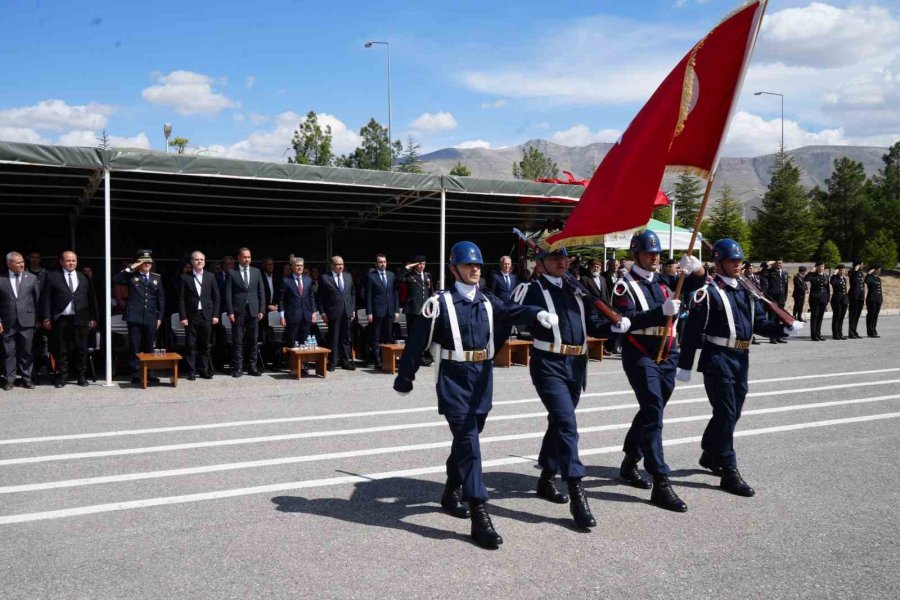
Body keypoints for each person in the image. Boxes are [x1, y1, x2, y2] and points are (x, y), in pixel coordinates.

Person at [393, 241, 552, 549]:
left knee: (468, 439)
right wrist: (405, 377)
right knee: (470, 442)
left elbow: (512, 310)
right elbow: (416, 341)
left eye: (477, 264)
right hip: (453, 379)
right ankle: (480, 515)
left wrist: (537, 313)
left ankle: (450, 491)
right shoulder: (440, 303)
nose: (475, 269)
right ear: (454, 269)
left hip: (482, 378)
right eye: (468, 265)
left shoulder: (488, 300)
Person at [678, 239, 803, 496]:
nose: (738, 265)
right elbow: (691, 332)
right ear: (719, 263)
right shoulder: (708, 293)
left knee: (732, 413)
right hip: (717, 358)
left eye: (739, 260)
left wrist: (783, 329)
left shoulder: (746, 291)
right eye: (732, 260)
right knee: (726, 413)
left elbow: (759, 324)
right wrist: (685, 365)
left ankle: (710, 452)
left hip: (741, 358)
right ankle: (729, 470)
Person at [518, 246, 630, 529]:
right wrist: (534, 314)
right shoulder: (532, 290)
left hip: (577, 365)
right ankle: (577, 491)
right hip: (549, 364)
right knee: (567, 423)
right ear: (540, 263)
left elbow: (591, 323)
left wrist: (613, 327)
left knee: (559, 422)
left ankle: (546, 477)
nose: (561, 261)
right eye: (554, 257)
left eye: (564, 257)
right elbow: (515, 314)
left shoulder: (576, 289)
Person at [613, 230, 706, 512]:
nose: (654, 258)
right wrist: (660, 313)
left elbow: (694, 283)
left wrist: (697, 269)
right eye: (648, 253)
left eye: (657, 253)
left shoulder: (665, 281)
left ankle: (631, 459)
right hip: (641, 353)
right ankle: (660, 480)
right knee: (653, 410)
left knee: (651, 409)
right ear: (635, 254)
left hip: (668, 353)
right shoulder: (624, 286)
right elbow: (624, 320)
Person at [40, 250, 98, 387]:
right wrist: (46, 317)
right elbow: (46, 299)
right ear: (61, 262)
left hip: (81, 318)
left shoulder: (84, 276)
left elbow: (92, 298)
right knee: (61, 349)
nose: (71, 263)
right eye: (68, 260)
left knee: (81, 349)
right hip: (61, 319)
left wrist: (93, 317)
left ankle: (81, 376)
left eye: (73, 260)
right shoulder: (52, 276)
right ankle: (62, 376)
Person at [113, 251, 165, 385]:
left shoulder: (156, 278)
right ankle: (136, 374)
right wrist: (132, 266)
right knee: (134, 346)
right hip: (134, 316)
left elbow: (160, 299)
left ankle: (150, 373)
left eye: (149, 261)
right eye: (144, 261)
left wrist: (159, 316)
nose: (147, 264)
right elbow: (116, 279)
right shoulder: (132, 275)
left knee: (150, 346)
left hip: (151, 316)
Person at [1, 252, 40, 389]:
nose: (21, 264)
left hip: (27, 321)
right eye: (17, 262)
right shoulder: (1, 279)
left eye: (22, 261)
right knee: (8, 352)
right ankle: (9, 379)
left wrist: (38, 319)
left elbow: (37, 300)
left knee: (27, 351)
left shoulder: (31, 278)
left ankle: (27, 378)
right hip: (8, 322)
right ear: (9, 264)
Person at [178, 251, 220, 380]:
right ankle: (191, 371)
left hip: (206, 315)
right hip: (192, 315)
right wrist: (183, 317)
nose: (199, 261)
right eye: (197, 259)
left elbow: (216, 297)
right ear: (192, 261)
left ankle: (204, 370)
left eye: (202, 259)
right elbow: (181, 299)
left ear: (205, 261)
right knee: (191, 344)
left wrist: (215, 315)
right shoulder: (185, 277)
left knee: (205, 344)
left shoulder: (210, 276)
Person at [224, 247, 265, 377]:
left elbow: (261, 291)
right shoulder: (231, 272)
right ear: (239, 258)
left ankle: (252, 366)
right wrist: (230, 311)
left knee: (253, 339)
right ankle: (238, 367)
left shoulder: (256, 272)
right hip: (238, 310)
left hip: (253, 310)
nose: (247, 259)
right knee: (237, 340)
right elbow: (228, 294)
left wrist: (262, 309)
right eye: (244, 257)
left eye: (249, 257)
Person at [317, 255, 356, 371]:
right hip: (333, 312)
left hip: (347, 312)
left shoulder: (348, 276)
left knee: (346, 337)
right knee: (334, 338)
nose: (340, 266)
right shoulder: (325, 278)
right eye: (338, 264)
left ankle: (345, 362)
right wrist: (323, 313)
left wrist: (352, 309)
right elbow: (320, 297)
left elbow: (352, 294)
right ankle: (332, 362)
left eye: (342, 264)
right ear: (332, 266)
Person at [365, 254, 399, 370]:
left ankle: (388, 360)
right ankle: (377, 361)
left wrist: (396, 310)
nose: (383, 264)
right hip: (377, 311)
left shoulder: (391, 275)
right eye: (380, 262)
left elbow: (395, 293)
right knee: (376, 337)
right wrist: (369, 312)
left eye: (384, 262)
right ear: (376, 264)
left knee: (389, 336)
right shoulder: (371, 277)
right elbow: (368, 295)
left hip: (390, 310)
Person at [279, 256, 317, 356]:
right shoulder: (286, 281)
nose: (299, 267)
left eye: (301, 265)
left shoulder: (308, 280)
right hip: (292, 316)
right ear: (292, 267)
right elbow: (281, 300)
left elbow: (311, 297)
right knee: (293, 341)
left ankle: (304, 363)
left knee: (305, 341)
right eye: (297, 265)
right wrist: (282, 316)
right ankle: (293, 363)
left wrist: (313, 312)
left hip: (306, 316)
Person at [402, 255, 433, 366]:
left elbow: (430, 293)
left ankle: (422, 357)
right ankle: (411, 357)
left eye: (423, 264)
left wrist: (430, 307)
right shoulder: (410, 275)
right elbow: (400, 278)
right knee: (412, 335)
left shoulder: (427, 276)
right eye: (419, 264)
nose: (422, 266)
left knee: (424, 335)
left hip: (425, 310)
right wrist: (409, 266)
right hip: (413, 309)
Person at [764, 259, 788, 344]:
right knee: (772, 318)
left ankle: (778, 336)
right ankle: (772, 337)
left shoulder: (784, 273)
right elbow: (763, 273)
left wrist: (785, 297)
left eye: (780, 263)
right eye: (777, 263)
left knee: (779, 318)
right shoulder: (770, 272)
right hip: (773, 298)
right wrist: (767, 264)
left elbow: (785, 287)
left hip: (781, 298)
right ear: (775, 264)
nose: (779, 265)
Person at [805, 261, 830, 342]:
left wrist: (827, 299)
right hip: (814, 299)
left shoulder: (826, 276)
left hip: (823, 299)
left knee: (820, 317)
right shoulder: (813, 275)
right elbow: (805, 279)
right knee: (814, 317)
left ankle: (818, 334)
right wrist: (810, 272)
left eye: (822, 266)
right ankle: (813, 335)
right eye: (819, 266)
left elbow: (827, 289)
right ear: (816, 267)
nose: (821, 268)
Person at [847, 260, 866, 339]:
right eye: (861, 264)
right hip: (854, 297)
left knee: (857, 315)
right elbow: (852, 279)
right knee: (853, 315)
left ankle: (854, 331)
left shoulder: (861, 273)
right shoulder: (851, 272)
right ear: (857, 265)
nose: (863, 266)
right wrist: (855, 270)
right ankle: (851, 332)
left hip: (860, 297)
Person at [830, 265, 849, 340]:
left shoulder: (844, 279)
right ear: (837, 271)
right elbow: (832, 283)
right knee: (837, 317)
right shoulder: (834, 278)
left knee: (841, 317)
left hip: (844, 301)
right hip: (836, 300)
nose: (842, 272)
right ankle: (835, 334)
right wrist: (834, 274)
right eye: (841, 270)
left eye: (843, 270)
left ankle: (840, 333)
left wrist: (846, 300)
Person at [865, 265, 883, 338]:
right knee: (871, 315)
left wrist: (881, 299)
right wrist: (869, 273)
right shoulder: (870, 278)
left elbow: (879, 289)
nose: (879, 271)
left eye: (879, 270)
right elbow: (866, 281)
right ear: (874, 270)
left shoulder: (878, 278)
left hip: (878, 299)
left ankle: (874, 330)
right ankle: (870, 332)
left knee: (875, 315)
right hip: (871, 299)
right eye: (878, 270)